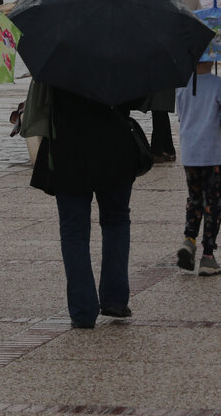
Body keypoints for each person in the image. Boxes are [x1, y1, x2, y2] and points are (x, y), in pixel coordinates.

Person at [29, 83, 142, 328]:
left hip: (68, 150)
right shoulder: (125, 49)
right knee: (116, 221)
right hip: (115, 147)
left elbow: (43, 103)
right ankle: (115, 299)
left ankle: (82, 310)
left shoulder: (57, 52)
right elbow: (139, 99)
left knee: (74, 232)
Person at [174, 61, 221, 277]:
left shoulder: (182, 86)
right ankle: (208, 256)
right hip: (213, 155)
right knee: (213, 203)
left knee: (194, 198)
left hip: (190, 153)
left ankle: (189, 239)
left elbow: (181, 117)